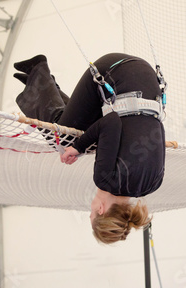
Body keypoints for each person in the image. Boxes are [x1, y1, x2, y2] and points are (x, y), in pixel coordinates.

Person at [13, 53, 166, 244]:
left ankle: (38, 83)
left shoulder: (152, 184)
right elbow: (110, 122)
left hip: (145, 76)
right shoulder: (106, 180)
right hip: (112, 71)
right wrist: (78, 148)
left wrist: (86, 143)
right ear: (100, 210)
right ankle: (38, 71)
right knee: (63, 140)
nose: (91, 208)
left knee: (76, 129)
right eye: (91, 213)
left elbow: (157, 128)